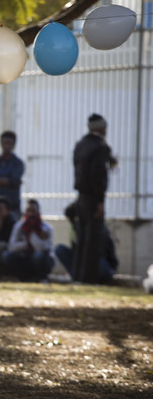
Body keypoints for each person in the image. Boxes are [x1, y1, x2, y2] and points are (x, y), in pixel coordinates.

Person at [72, 113, 116, 284]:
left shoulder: (80, 145)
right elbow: (98, 176)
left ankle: (77, 276)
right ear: (101, 127)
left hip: (81, 198)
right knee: (93, 241)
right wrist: (100, 201)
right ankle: (88, 279)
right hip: (93, 198)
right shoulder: (99, 147)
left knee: (81, 239)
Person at [55, 201, 117, 284]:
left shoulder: (97, 227)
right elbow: (76, 251)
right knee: (59, 249)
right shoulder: (74, 228)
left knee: (97, 260)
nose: (73, 223)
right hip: (83, 263)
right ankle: (76, 276)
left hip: (103, 265)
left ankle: (89, 277)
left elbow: (101, 252)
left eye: (75, 219)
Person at [1, 199, 54, 282]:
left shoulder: (46, 228)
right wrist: (25, 243)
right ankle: (23, 277)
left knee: (38, 256)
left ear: (38, 212)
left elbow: (42, 248)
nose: (31, 214)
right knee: (7, 255)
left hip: (42, 259)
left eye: (33, 211)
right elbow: (11, 247)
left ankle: (40, 277)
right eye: (28, 211)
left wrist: (32, 233)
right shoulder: (19, 226)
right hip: (24, 257)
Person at [0, 131, 25, 219]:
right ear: (1, 143)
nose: (7, 146)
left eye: (9, 143)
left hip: (13, 206)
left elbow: (14, 180)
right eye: (5, 143)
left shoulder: (18, 163)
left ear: (14, 145)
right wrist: (7, 181)